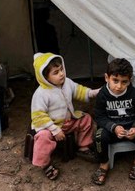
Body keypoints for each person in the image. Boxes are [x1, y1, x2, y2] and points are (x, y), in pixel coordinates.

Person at [30, 52, 99, 180]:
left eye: (61, 69)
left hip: (68, 122)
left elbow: (79, 91)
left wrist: (93, 93)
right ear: (45, 77)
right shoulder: (41, 94)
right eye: (55, 72)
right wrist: (54, 130)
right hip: (50, 126)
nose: (61, 73)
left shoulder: (67, 82)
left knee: (86, 119)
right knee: (42, 137)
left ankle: (83, 146)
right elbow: (38, 116)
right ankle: (45, 164)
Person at [92, 58, 135, 185]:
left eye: (124, 82)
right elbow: (99, 116)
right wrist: (114, 127)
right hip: (111, 132)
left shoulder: (134, 94)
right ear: (107, 78)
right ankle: (104, 164)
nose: (119, 86)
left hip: (131, 132)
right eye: (115, 81)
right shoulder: (102, 95)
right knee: (98, 137)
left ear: (129, 81)